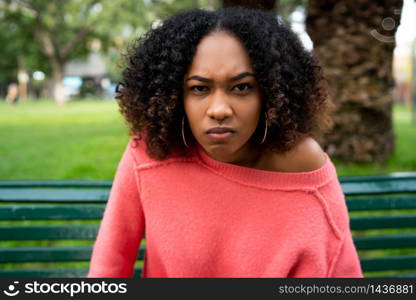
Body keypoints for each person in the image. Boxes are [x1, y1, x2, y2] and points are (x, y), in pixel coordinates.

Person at [88, 7, 363, 278]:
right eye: (199, 88)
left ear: (270, 93)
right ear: (175, 96)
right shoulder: (150, 155)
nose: (219, 109)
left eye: (242, 87)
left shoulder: (304, 168)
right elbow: (108, 268)